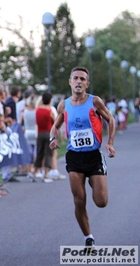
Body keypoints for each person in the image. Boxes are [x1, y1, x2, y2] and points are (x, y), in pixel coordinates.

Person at [49, 66, 116, 248]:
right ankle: (88, 237)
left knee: (101, 202)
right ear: (70, 82)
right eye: (75, 78)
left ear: (87, 83)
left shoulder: (95, 102)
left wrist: (110, 142)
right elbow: (55, 126)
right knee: (79, 200)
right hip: (74, 157)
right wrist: (53, 138)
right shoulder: (64, 104)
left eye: (82, 79)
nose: (79, 82)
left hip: (93, 156)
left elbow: (110, 119)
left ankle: (95, 180)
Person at [33, 92, 55, 183]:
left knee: (39, 153)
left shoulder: (37, 110)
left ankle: (35, 172)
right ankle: (45, 173)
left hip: (40, 133)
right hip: (48, 133)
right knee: (48, 153)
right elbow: (54, 122)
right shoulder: (49, 111)